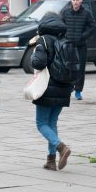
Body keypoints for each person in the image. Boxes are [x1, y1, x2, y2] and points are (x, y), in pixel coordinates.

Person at [31, 12, 72, 171]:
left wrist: (32, 58)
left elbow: (39, 63)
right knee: (52, 122)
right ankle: (50, 160)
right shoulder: (64, 39)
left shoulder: (43, 40)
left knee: (41, 123)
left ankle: (61, 147)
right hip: (64, 87)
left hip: (46, 87)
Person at [60, 0, 94, 100]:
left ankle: (78, 91)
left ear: (81, 1)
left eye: (77, 0)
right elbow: (60, 25)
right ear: (71, 1)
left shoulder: (86, 13)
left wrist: (83, 36)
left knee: (80, 69)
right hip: (68, 45)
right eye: (73, 0)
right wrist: (64, 36)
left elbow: (92, 27)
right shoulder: (65, 12)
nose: (75, 2)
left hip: (81, 46)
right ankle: (67, 89)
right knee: (67, 68)